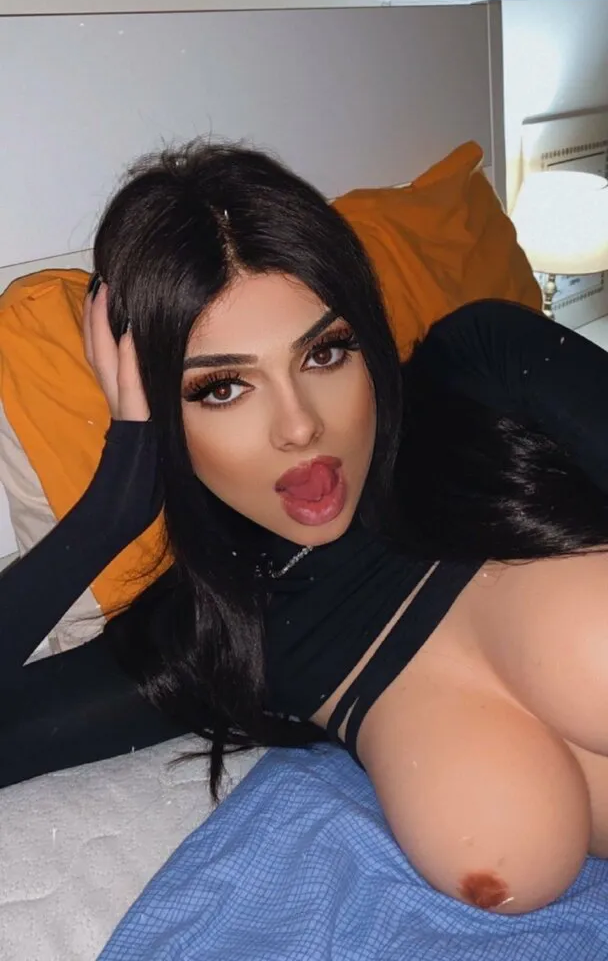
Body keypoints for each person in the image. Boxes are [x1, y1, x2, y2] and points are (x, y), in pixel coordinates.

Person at [3, 141, 608, 916]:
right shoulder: (219, 637)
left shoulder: (484, 373)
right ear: (159, 416)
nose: (299, 427)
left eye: (325, 353)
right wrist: (108, 513)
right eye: (223, 389)